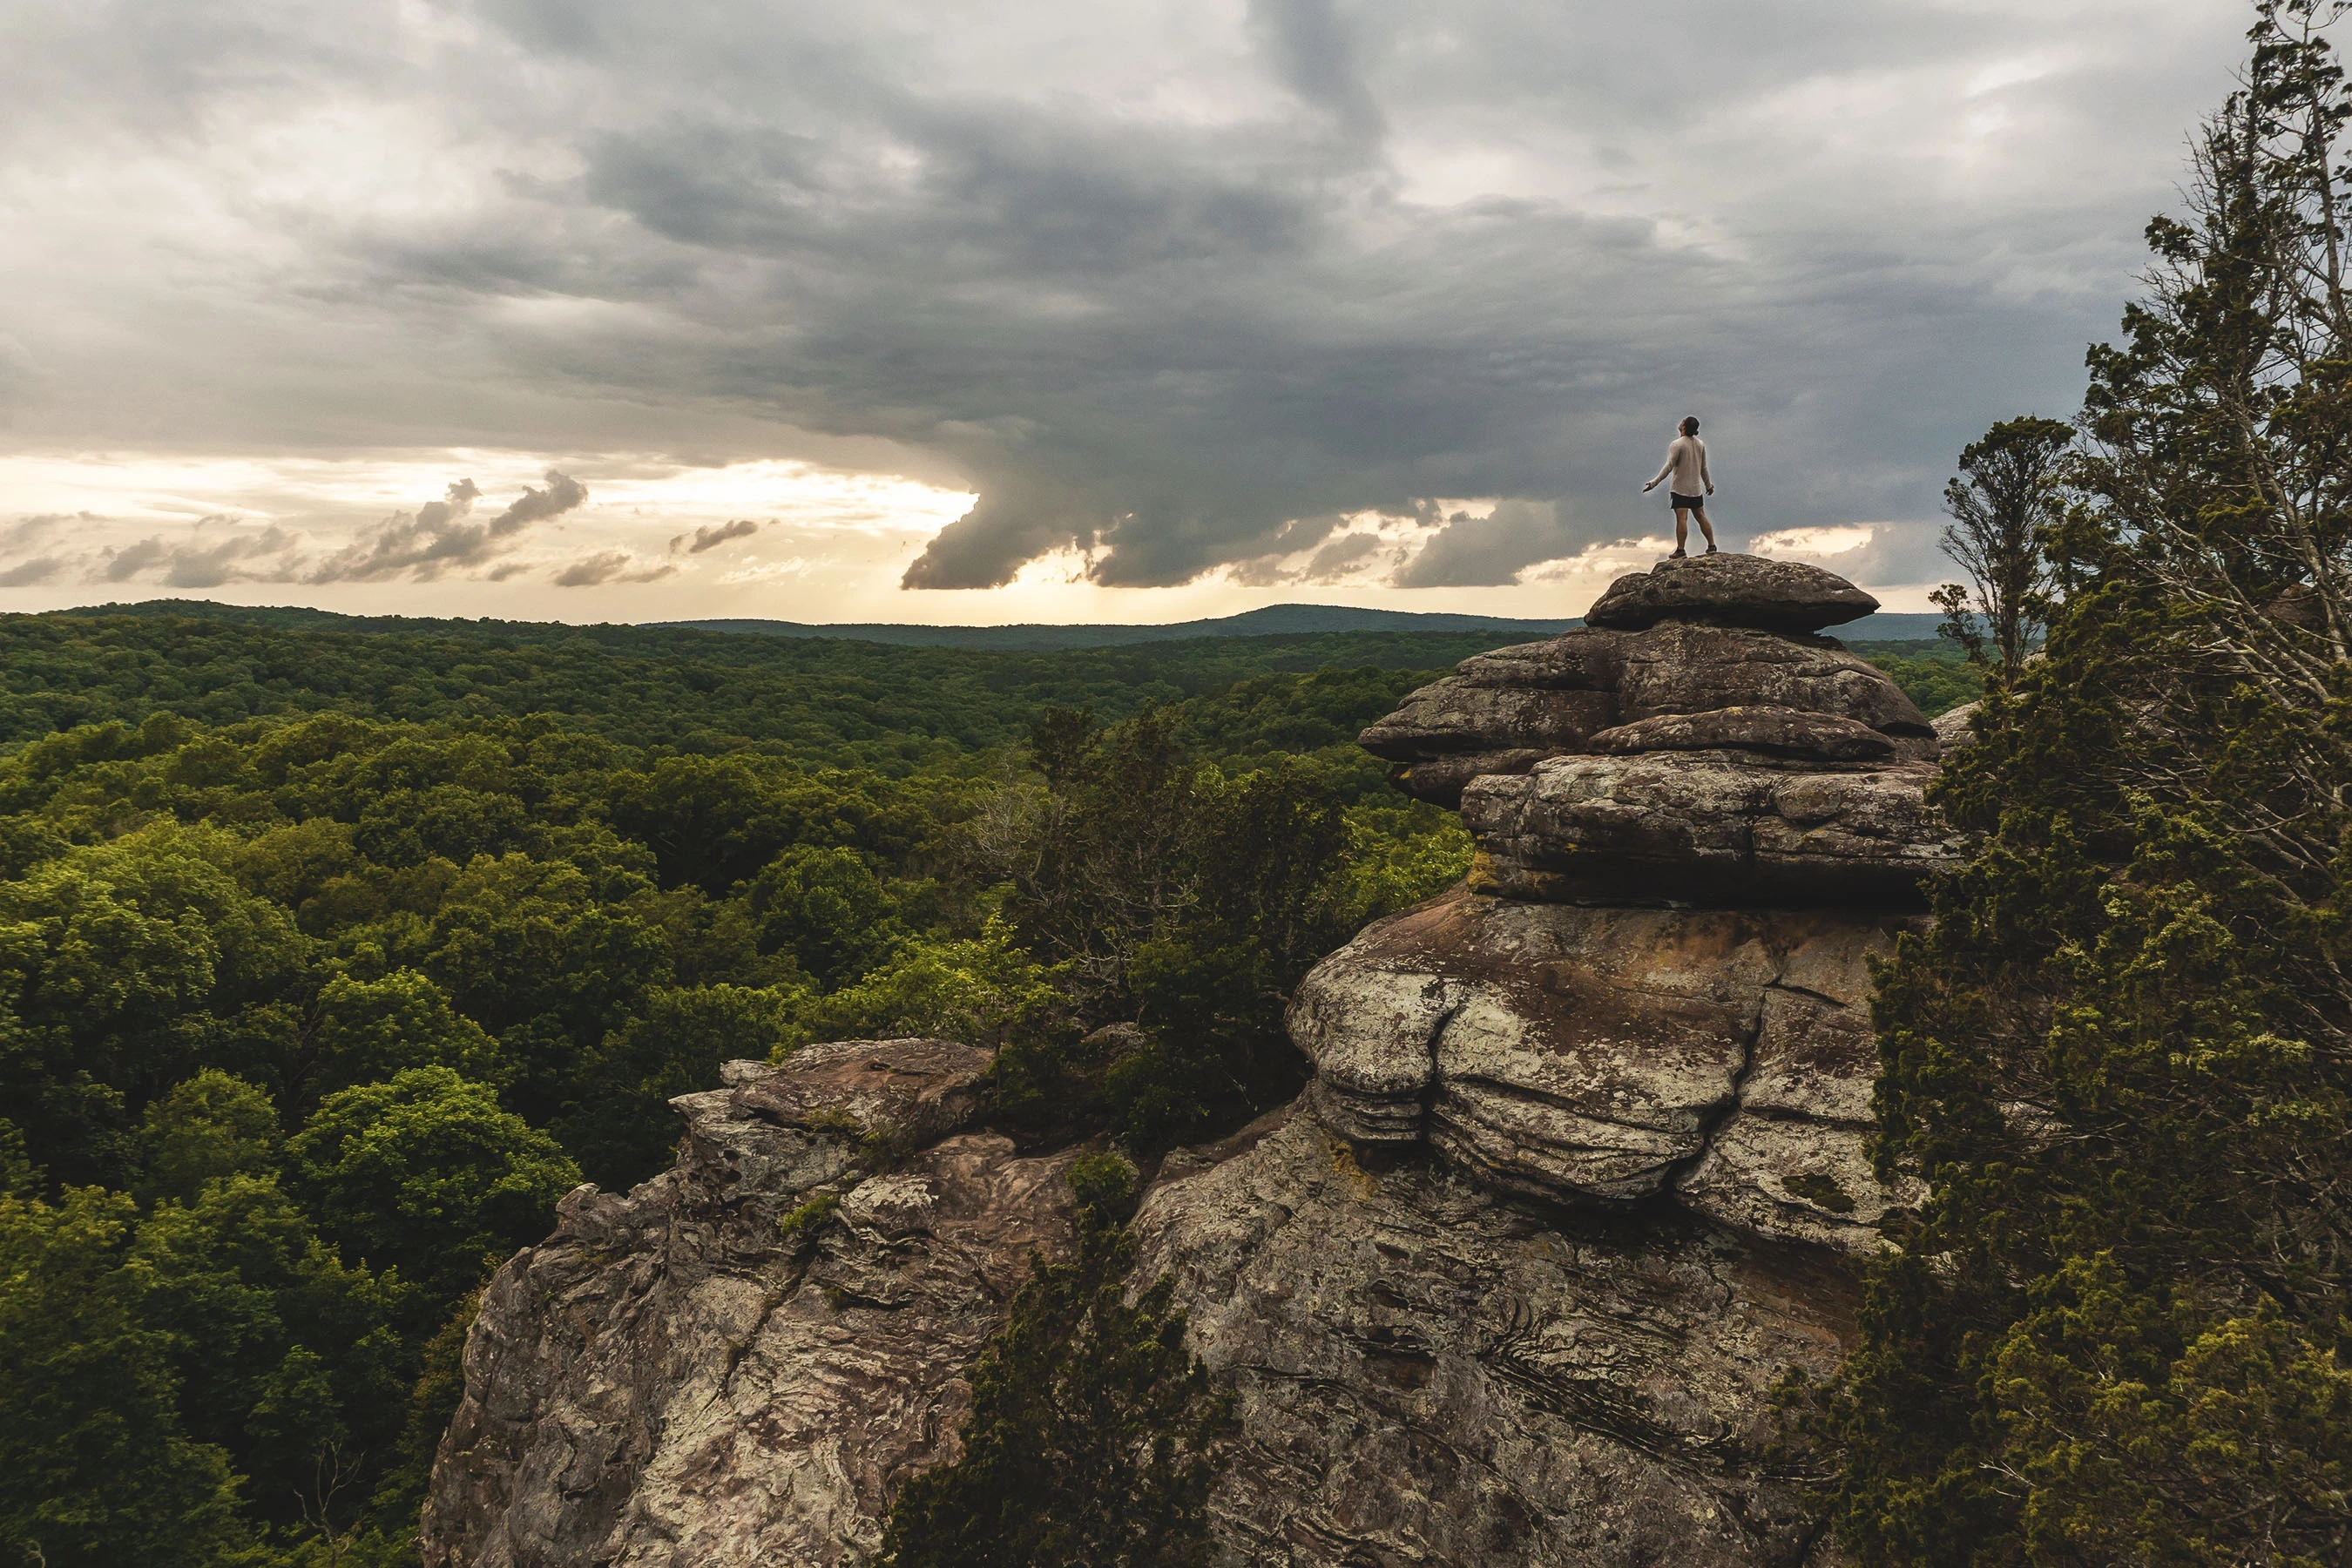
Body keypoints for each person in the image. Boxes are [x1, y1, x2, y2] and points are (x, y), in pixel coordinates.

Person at [1640, 416, 1718, 558]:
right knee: (1701, 516)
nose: (1680, 422)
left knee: (1682, 518)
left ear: (1684, 426)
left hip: (1680, 488)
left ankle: (1681, 550)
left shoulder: (1677, 444)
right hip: (1695, 489)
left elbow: (1669, 466)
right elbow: (1703, 468)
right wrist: (1708, 485)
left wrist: (1654, 483)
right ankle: (1711, 545)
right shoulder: (1700, 444)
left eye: (1682, 422)